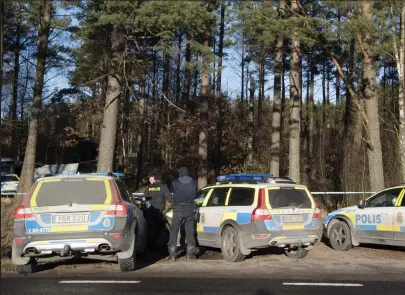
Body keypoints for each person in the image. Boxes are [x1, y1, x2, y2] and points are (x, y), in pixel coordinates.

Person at [167, 167, 198, 260]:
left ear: (180, 173)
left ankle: (172, 254)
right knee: (190, 232)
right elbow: (196, 195)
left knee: (174, 231)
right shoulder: (194, 182)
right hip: (190, 209)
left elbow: (172, 194)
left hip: (178, 209)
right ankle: (190, 254)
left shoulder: (175, 183)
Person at [143, 172, 172, 250]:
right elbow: (170, 199)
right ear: (161, 179)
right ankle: (160, 247)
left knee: (150, 229)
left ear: (154, 179)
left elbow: (144, 200)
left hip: (150, 211)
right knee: (161, 229)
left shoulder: (148, 188)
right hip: (160, 212)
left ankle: (150, 248)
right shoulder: (163, 187)